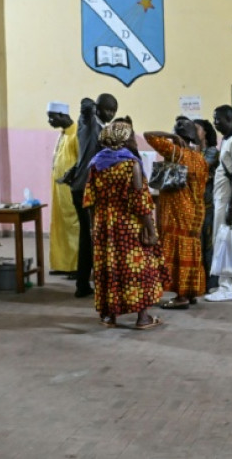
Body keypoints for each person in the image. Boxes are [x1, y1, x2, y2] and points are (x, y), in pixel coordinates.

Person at [83, 120, 164, 329]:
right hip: (129, 226)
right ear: (122, 140)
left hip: (104, 226)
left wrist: (95, 227)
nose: (132, 139)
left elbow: (90, 200)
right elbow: (140, 203)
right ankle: (142, 318)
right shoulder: (131, 165)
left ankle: (109, 316)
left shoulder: (96, 164)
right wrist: (151, 230)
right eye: (129, 136)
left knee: (109, 267)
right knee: (137, 269)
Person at [144, 117, 209, 310]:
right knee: (192, 251)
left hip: (178, 212)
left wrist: (170, 136)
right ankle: (190, 292)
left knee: (178, 253)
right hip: (196, 212)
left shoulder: (175, 153)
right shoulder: (200, 159)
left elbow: (148, 136)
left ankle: (181, 297)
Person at [69, 93, 118, 298]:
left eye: (113, 111)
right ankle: (82, 284)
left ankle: (86, 282)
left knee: (91, 237)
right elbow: (85, 106)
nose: (111, 114)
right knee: (89, 237)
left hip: (90, 188)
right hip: (84, 188)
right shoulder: (89, 124)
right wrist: (90, 106)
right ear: (98, 108)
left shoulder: (103, 128)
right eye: (107, 109)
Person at [205, 105, 232, 302]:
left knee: (223, 243)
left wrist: (231, 206)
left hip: (227, 199)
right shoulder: (228, 140)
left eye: (218, 119)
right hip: (222, 198)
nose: (215, 122)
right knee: (226, 240)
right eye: (214, 119)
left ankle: (226, 287)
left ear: (229, 119)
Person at [46, 102, 79, 277]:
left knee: (74, 226)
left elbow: (81, 164)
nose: (49, 121)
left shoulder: (76, 134)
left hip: (71, 188)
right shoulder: (63, 134)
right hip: (58, 188)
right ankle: (63, 264)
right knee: (60, 226)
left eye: (52, 117)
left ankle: (76, 266)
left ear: (63, 115)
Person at [193, 118, 220, 292]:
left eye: (197, 129)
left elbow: (199, 168)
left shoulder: (211, 152)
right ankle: (198, 281)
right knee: (196, 244)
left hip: (207, 204)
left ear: (206, 133)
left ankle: (212, 281)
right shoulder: (190, 151)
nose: (193, 131)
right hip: (193, 205)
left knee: (208, 243)